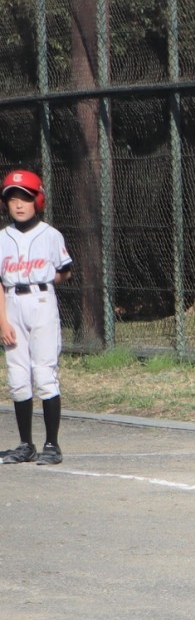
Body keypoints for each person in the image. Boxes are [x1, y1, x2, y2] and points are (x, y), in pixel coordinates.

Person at [0, 169, 68, 466]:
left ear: (37, 200)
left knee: (43, 373)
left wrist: (45, 281)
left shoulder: (50, 235)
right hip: (11, 303)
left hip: (41, 301)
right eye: (13, 198)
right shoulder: (2, 238)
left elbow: (64, 270)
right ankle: (25, 444)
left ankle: (51, 444)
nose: (18, 204)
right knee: (17, 377)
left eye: (25, 198)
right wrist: (2, 321)